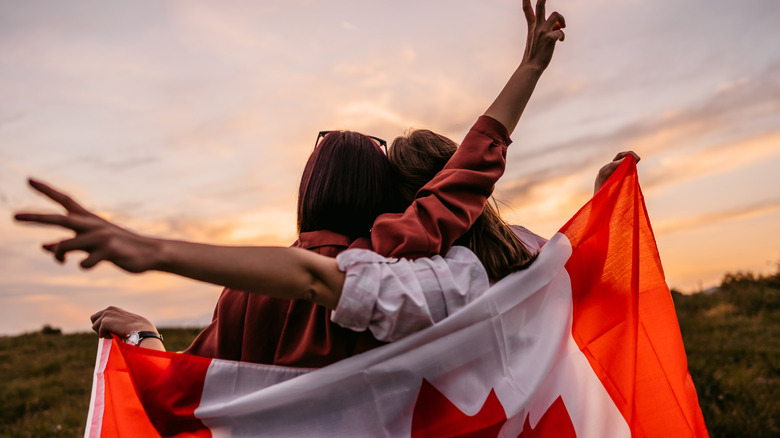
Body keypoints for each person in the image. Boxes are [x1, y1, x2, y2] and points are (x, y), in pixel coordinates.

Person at [15, 0, 567, 363]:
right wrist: (528, 72)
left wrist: (143, 334)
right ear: (379, 197)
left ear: (307, 190)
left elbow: (186, 389)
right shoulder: (398, 260)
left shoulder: (244, 295)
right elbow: (462, 182)